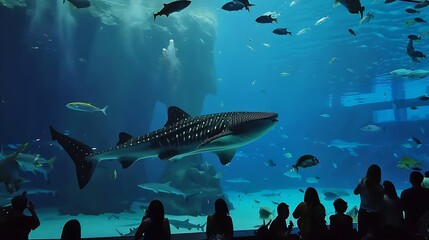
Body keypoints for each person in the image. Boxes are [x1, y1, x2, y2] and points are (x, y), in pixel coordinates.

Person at [353, 164, 384, 239]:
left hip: (363, 212)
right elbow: (380, 201)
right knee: (374, 234)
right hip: (375, 214)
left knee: (362, 233)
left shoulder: (363, 182)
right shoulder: (380, 187)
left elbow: (355, 192)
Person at [400, 171, 429, 240]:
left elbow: (402, 208)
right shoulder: (427, 192)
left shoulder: (405, 193)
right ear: (422, 180)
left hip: (409, 223)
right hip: (423, 223)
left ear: (410, 180)